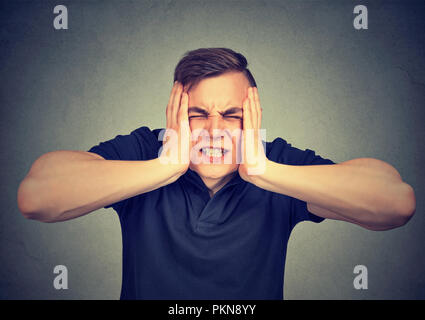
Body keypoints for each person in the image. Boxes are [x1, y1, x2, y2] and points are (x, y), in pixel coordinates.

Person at [17, 48, 416, 300]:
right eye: (197, 115)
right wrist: (164, 167)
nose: (213, 130)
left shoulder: (274, 162)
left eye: (232, 116)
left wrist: (265, 171)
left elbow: (396, 204)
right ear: (175, 117)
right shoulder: (145, 152)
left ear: (253, 119)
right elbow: (37, 197)